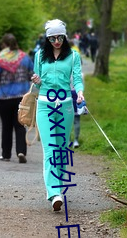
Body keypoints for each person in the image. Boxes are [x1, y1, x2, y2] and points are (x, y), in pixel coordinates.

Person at [31, 19, 84, 211]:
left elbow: (77, 78)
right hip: (45, 105)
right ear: (47, 38)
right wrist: (36, 80)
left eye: (60, 37)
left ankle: (59, 188)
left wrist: (80, 92)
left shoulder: (73, 56)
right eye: (52, 38)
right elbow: (37, 85)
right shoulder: (39, 56)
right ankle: (54, 193)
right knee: (50, 149)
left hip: (65, 106)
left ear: (65, 36)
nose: (56, 41)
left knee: (61, 149)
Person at [0, 33, 34, 163]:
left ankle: (6, 154)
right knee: (20, 125)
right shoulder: (25, 58)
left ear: (4, 45)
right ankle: (21, 151)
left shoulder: (0, 59)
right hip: (21, 97)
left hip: (4, 97)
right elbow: (32, 75)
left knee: (6, 126)